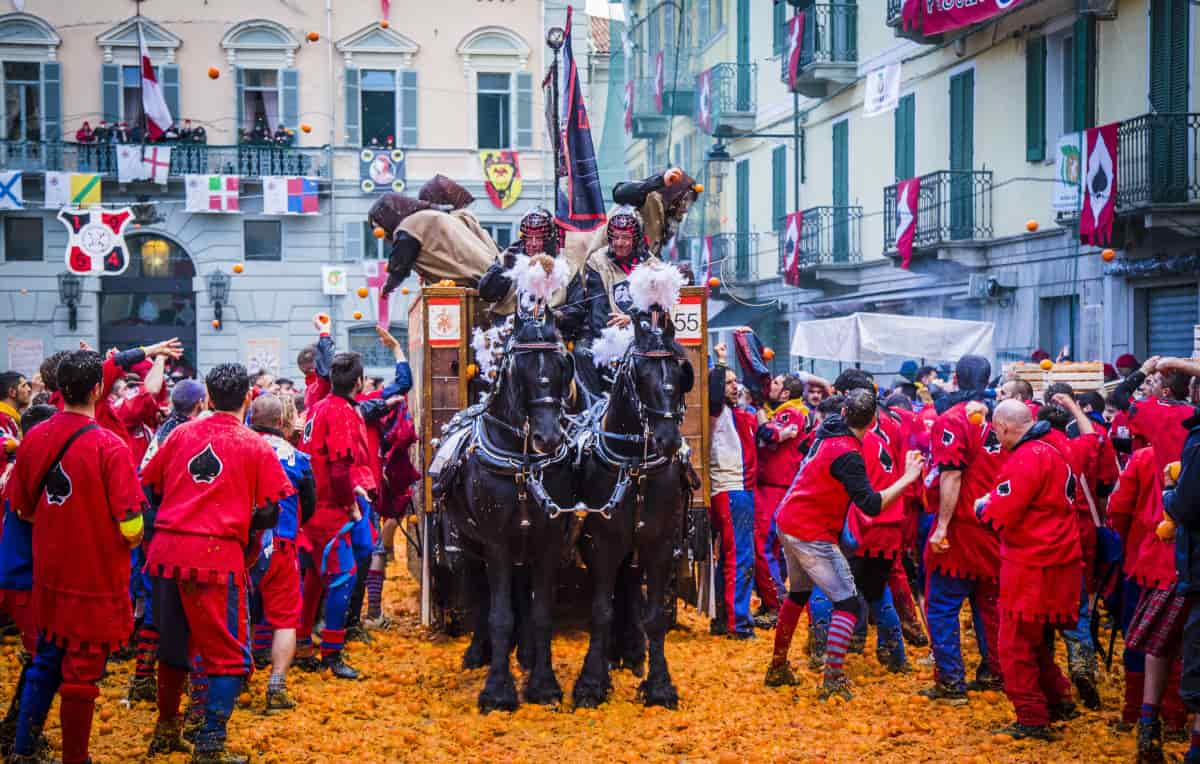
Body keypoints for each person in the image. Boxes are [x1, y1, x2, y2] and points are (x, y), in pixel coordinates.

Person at [141, 363, 294, 762]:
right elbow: (270, 511)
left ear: (208, 397)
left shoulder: (179, 434)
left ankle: (166, 731)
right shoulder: (254, 444)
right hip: (215, 559)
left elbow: (151, 485)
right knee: (229, 654)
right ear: (248, 397)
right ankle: (209, 744)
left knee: (172, 649)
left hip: (165, 554)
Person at [4, 350, 146, 764]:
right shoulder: (109, 446)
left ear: (57, 389)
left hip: (47, 572)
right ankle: (75, 758)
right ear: (98, 389)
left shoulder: (34, 438)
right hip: (95, 578)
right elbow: (131, 524)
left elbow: (22, 507)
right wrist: (128, 539)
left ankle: (23, 750)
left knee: (45, 661)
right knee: (82, 674)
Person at [765, 388, 925, 699]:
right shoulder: (847, 452)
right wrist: (908, 478)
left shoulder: (827, 432)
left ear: (843, 414)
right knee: (848, 602)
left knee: (798, 594)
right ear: (874, 420)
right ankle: (833, 679)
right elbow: (870, 504)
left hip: (789, 518)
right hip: (811, 530)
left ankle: (778, 666)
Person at [975, 399, 1082, 740]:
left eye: (995, 429)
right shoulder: (1055, 447)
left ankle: (1032, 717)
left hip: (1032, 562)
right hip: (1061, 557)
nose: (995, 435)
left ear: (1004, 427)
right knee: (1033, 639)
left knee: (1013, 642)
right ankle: (1059, 697)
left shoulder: (1027, 456)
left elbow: (1001, 511)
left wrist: (982, 506)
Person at [923, 354, 1005, 703]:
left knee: (941, 605)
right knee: (989, 604)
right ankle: (995, 673)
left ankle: (951, 683)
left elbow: (952, 474)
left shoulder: (952, 419)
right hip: (997, 525)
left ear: (955, 379)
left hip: (962, 529)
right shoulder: (1005, 416)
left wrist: (941, 526)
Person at [126, 378, 208, 703]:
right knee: (168, 606)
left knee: (158, 603)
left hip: (154, 521)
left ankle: (145, 678)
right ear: (200, 404)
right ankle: (152, 679)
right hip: (164, 524)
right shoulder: (183, 433)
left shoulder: (168, 428)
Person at [298, 351, 376, 679]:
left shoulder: (317, 407)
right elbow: (341, 466)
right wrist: (351, 505)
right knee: (342, 577)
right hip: (330, 509)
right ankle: (331, 653)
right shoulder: (342, 412)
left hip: (311, 506)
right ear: (358, 382)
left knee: (315, 578)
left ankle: (302, 643)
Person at [248, 393, 316, 713]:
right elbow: (310, 506)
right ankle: (276, 684)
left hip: (243, 546)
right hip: (282, 547)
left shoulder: (240, 446)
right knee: (286, 619)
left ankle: (233, 679)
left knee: (238, 614)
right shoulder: (297, 458)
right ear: (281, 423)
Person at [0, 403, 55, 758]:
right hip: (22, 576)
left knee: (39, 659)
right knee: (43, 661)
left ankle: (13, 729)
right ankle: (20, 741)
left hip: (13, 570)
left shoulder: (17, 468)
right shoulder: (32, 473)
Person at [558, 207, 652, 394]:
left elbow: (658, 310)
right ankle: (595, 406)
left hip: (643, 331)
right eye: (615, 237)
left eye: (625, 237)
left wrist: (633, 321)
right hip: (606, 330)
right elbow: (598, 312)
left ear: (636, 238)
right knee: (581, 353)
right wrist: (614, 337)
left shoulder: (653, 264)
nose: (619, 243)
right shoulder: (597, 261)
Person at [707, 343, 757, 639]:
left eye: (735, 381)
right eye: (729, 382)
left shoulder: (731, 411)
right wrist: (722, 360)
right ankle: (737, 624)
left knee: (732, 556)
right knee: (739, 557)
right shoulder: (715, 409)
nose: (735, 386)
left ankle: (727, 619)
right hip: (730, 490)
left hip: (736, 490)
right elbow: (714, 388)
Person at [1161, 384, 1200, 764]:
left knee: (1165, 644)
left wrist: (1169, 491)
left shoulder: (1196, 443)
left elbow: (1186, 507)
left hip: (1179, 566)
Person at [754, 373, 811, 625]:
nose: (771, 386)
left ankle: (776, 604)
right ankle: (775, 602)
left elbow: (771, 435)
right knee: (774, 548)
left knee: (762, 545)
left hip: (777, 486)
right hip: (780, 486)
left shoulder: (791, 412)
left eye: (776, 383)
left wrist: (759, 417)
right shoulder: (792, 411)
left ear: (786, 393)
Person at [368, 193, 500, 298]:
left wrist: (387, 288)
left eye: (379, 225)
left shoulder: (408, 228)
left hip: (476, 283)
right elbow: (437, 251)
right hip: (489, 272)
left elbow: (399, 266)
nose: (382, 233)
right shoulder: (429, 216)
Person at [0, 371, 31, 458]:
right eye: (24, 386)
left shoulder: (12, 418)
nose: (29, 389)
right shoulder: (2, 419)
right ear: (12, 392)